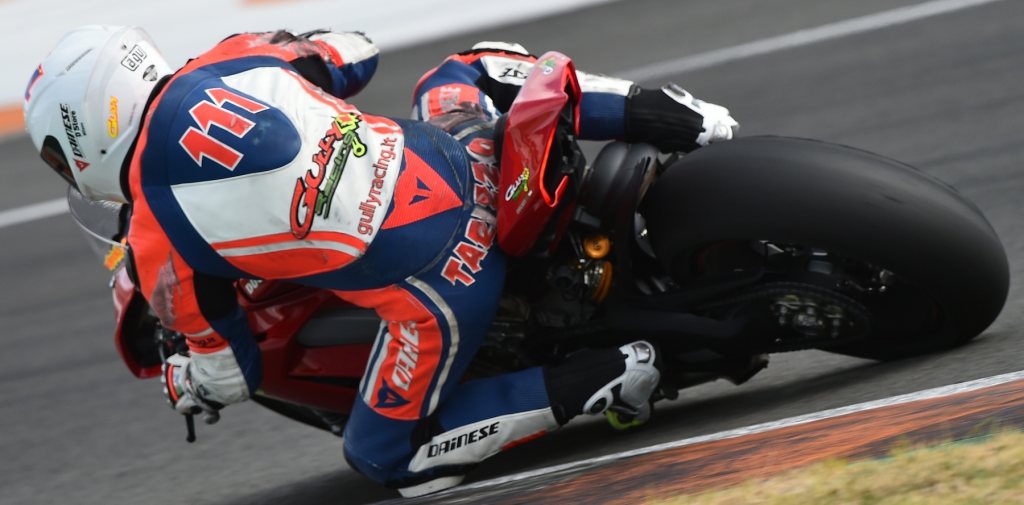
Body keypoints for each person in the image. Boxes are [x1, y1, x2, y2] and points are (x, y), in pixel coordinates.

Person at [24, 26, 738, 497]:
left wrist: (185, 380)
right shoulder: (234, 55)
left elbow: (232, 375)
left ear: (81, 133)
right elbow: (356, 53)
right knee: (462, 70)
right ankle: (673, 113)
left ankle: (612, 373)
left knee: (384, 457)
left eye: (59, 156)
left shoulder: (157, 238)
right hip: (472, 160)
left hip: (446, 280)